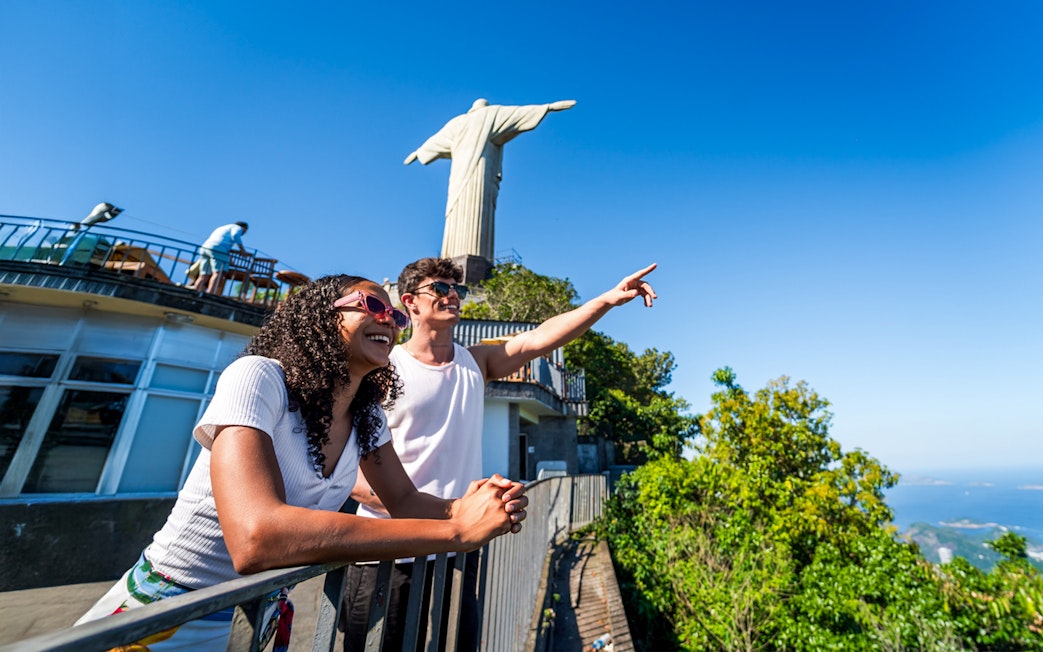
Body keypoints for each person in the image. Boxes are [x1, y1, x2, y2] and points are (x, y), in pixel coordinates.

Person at [76, 274, 528, 651]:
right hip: (166, 616)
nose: (387, 321)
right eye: (372, 304)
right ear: (322, 315)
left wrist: (469, 507)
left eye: (393, 315)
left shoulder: (367, 415)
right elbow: (257, 538)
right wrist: (454, 531)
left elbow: (405, 499)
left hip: (256, 619)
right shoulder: (260, 376)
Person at [343, 259, 657, 652]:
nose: (453, 295)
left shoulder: (475, 362)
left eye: (457, 289)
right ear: (411, 302)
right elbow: (348, 470)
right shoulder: (383, 369)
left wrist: (608, 300)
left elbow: (541, 338)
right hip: (387, 550)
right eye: (440, 289)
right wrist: (415, 507)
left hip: (455, 545)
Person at [405, 99, 576, 261]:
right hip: (475, 173)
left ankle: (462, 256)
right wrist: (548, 107)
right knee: (465, 210)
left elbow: (434, 141)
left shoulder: (457, 123)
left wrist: (418, 152)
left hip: (469, 175)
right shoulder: (490, 114)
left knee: (469, 211)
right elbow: (517, 113)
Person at [193, 221, 250, 293]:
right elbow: (235, 235)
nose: (244, 233)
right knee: (218, 273)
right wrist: (242, 250)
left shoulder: (223, 227)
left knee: (204, 274)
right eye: (245, 231)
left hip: (205, 247)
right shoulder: (237, 228)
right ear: (244, 228)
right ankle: (210, 293)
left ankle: (195, 292)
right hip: (218, 248)